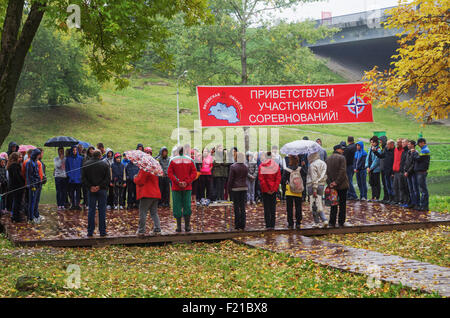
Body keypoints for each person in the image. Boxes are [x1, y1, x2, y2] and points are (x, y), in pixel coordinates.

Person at [168, 146, 197, 232]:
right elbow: (194, 173)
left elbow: (170, 173)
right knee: (187, 205)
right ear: (185, 152)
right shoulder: (190, 160)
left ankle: (179, 227)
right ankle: (187, 226)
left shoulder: (172, 160)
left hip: (176, 188)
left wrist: (177, 181)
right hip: (187, 187)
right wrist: (187, 181)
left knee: (177, 206)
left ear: (177, 152)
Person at [82, 150, 110, 237]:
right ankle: (102, 231)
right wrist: (99, 186)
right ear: (100, 156)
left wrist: (91, 186)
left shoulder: (86, 164)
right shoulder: (105, 165)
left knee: (91, 210)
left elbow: (83, 179)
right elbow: (108, 179)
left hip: (92, 190)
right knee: (102, 211)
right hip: (102, 190)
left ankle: (90, 231)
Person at [326, 145, 350, 228]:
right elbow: (342, 171)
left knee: (333, 204)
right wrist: (336, 182)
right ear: (337, 149)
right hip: (342, 185)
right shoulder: (342, 158)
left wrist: (330, 183)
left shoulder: (328, 159)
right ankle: (341, 221)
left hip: (332, 186)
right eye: (341, 149)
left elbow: (326, 173)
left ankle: (331, 222)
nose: (343, 151)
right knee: (342, 204)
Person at [134, 167, 161, 236]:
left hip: (147, 193)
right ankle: (157, 229)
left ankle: (141, 231)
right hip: (155, 193)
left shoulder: (145, 169)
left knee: (143, 212)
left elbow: (140, 181)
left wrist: (135, 178)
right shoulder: (155, 169)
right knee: (154, 213)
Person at [258, 152, 281, 230]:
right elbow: (278, 178)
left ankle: (268, 224)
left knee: (266, 208)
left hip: (265, 190)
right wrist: (274, 189)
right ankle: (272, 224)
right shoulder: (276, 166)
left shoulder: (261, 166)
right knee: (273, 207)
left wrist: (267, 189)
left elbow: (262, 179)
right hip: (273, 190)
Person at [306, 151, 328, 228]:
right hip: (322, 185)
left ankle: (317, 222)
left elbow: (314, 178)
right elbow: (324, 174)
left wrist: (314, 189)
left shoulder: (312, 165)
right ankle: (324, 220)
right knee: (319, 202)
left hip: (313, 186)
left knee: (314, 204)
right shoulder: (323, 163)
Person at [228, 152, 248, 230]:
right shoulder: (245, 167)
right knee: (242, 206)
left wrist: (229, 188)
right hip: (244, 187)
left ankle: (237, 224)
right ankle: (243, 224)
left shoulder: (233, 167)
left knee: (236, 206)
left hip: (235, 188)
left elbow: (230, 179)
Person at [282, 155, 303, 229]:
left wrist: (283, 191)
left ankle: (290, 223)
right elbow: (304, 177)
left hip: (289, 190)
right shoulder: (300, 169)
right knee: (298, 206)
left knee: (289, 207)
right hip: (298, 189)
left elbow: (283, 180)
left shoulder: (287, 169)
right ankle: (298, 222)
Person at [374, 139, 395, 204]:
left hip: (391, 171)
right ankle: (389, 198)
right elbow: (381, 156)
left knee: (392, 186)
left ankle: (393, 199)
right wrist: (375, 152)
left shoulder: (394, 151)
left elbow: (395, 162)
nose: (386, 145)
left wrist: (393, 172)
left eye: (388, 144)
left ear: (392, 144)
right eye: (386, 144)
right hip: (386, 170)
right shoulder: (386, 150)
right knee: (387, 185)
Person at [25, 148, 42, 223]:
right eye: (38, 155)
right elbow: (29, 176)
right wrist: (33, 185)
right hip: (32, 186)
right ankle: (30, 218)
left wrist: (39, 181)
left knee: (34, 201)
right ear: (35, 155)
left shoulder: (35, 162)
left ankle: (33, 216)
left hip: (36, 184)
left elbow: (36, 174)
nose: (39, 156)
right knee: (31, 202)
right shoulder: (29, 163)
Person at [7, 152, 25, 222]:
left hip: (14, 186)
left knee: (16, 201)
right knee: (17, 201)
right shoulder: (15, 166)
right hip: (17, 186)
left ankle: (15, 215)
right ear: (15, 158)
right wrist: (22, 183)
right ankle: (16, 217)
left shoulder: (12, 165)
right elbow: (16, 177)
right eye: (20, 157)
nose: (21, 158)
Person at [65, 145, 83, 210]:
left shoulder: (80, 158)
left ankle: (77, 204)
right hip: (71, 179)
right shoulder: (68, 159)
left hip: (78, 178)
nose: (74, 151)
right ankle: (72, 204)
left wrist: (81, 175)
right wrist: (69, 175)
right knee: (71, 192)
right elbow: (67, 169)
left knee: (78, 192)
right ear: (71, 151)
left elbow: (82, 168)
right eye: (73, 150)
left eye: (76, 150)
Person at [415, 138, 430, 211]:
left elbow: (418, 159)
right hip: (420, 171)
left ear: (423, 143)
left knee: (423, 189)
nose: (418, 145)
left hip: (422, 171)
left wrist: (414, 154)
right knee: (422, 189)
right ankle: (423, 205)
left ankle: (424, 206)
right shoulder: (423, 149)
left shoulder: (425, 150)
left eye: (419, 144)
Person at [404, 140, 419, 209]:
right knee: (410, 189)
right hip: (407, 173)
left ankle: (417, 204)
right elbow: (406, 162)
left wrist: (408, 171)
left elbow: (414, 164)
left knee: (415, 189)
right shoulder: (408, 152)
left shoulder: (415, 153)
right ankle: (412, 203)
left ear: (413, 145)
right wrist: (405, 170)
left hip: (413, 173)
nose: (408, 145)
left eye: (409, 144)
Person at [365, 136, 382, 201]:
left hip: (375, 169)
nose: (372, 144)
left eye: (373, 142)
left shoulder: (378, 150)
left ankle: (377, 197)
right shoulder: (370, 149)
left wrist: (371, 168)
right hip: (370, 169)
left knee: (376, 183)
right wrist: (367, 166)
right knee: (371, 183)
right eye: (371, 142)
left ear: (376, 142)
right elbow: (367, 158)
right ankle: (373, 196)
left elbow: (376, 160)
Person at [392, 138, 406, 205]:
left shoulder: (403, 151)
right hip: (395, 171)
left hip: (400, 171)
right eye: (397, 142)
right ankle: (396, 200)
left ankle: (401, 200)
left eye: (399, 142)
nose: (397, 143)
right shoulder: (395, 150)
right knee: (395, 186)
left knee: (401, 187)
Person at [343, 136, 358, 200]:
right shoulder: (356, 147)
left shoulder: (348, 148)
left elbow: (345, 158)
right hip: (354, 165)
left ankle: (353, 195)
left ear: (348, 141)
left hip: (348, 165)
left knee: (349, 181)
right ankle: (350, 194)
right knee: (350, 180)